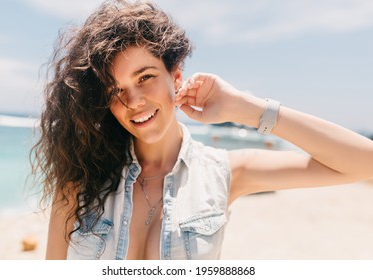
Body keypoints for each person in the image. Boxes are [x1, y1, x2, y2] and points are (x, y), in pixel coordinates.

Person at [30, 0, 373, 260]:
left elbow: (364, 163)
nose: (132, 100)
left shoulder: (226, 172)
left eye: (145, 77)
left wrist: (245, 108)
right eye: (114, 88)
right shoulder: (80, 181)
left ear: (175, 78)